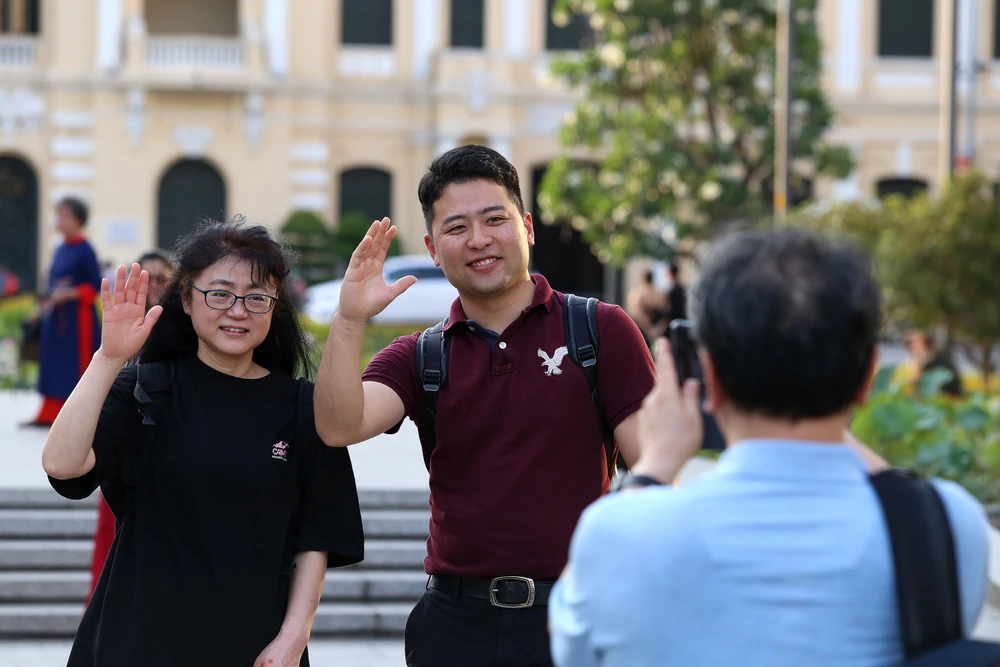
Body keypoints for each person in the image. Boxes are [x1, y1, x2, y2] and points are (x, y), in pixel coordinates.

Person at [549, 228, 989, 667]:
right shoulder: (948, 525)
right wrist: (829, 394)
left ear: (711, 377)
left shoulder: (618, 534)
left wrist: (656, 465)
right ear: (869, 374)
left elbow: (570, 644)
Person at [313, 145, 656, 667]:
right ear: (432, 248)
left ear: (527, 227)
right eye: (456, 228)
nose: (478, 240)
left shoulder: (599, 330)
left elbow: (654, 467)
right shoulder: (421, 354)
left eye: (494, 219)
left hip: (574, 618)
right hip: (454, 627)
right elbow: (340, 425)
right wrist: (348, 318)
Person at [41, 221, 364, 667]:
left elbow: (316, 534)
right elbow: (62, 464)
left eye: (256, 296)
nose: (238, 310)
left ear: (274, 306)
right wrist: (109, 358)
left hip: (254, 646)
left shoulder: (302, 406)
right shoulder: (146, 390)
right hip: (137, 641)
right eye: (220, 293)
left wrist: (294, 637)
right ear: (188, 300)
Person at [85, 249, 177, 606]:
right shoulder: (118, 335)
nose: (155, 286)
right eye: (147, 278)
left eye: (163, 278)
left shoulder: (182, 339)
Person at [24, 197, 102, 427]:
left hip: (78, 319)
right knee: (53, 362)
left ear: (78, 220)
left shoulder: (85, 248)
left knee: (74, 364)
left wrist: (69, 294)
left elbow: (95, 285)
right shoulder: (60, 249)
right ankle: (49, 413)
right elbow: (53, 284)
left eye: (64, 215)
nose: (59, 220)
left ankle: (75, 416)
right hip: (56, 317)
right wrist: (41, 308)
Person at [904, 328, 963, 397]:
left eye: (916, 341)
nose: (913, 344)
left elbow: (918, 377)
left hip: (945, 391)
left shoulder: (933, 356)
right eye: (911, 342)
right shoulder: (917, 357)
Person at [626, 269, 667, 346]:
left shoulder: (636, 294)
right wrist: (657, 329)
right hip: (658, 329)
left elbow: (638, 314)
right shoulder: (660, 294)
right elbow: (665, 315)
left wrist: (648, 330)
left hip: (641, 330)